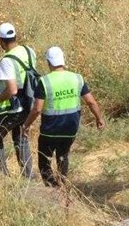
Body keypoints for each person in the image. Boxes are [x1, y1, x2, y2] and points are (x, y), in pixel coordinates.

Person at [23, 46, 104, 187]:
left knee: (44, 160)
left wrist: (26, 125)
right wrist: (99, 118)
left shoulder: (45, 81)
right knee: (63, 156)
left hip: (50, 130)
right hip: (70, 129)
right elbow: (90, 101)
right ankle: (62, 184)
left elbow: (37, 109)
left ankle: (52, 188)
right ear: (63, 61)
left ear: (49, 62)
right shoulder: (77, 78)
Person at [0, 22, 37, 178]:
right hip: (29, 103)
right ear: (15, 36)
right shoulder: (28, 51)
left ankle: (1, 176)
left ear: (1, 41)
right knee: (20, 136)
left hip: (13, 107)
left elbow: (12, 89)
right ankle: (28, 176)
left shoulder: (6, 60)